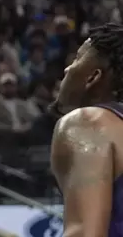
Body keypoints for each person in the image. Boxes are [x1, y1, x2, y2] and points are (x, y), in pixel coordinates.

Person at [50, 23, 123, 236]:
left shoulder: (89, 123)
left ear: (93, 77)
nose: (67, 69)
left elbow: (85, 233)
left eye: (77, 58)